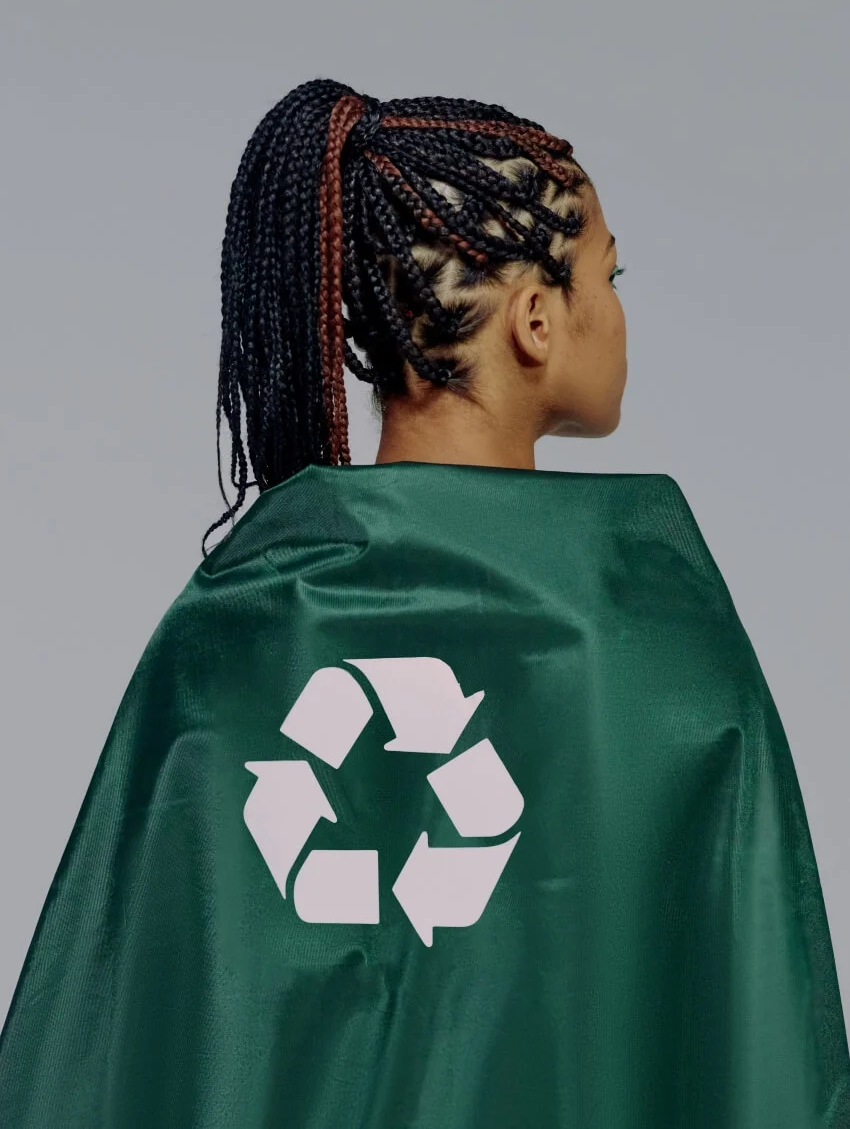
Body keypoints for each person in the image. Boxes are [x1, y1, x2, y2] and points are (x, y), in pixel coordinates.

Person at [1, 78, 848, 1128]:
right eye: (609, 274)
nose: (620, 309)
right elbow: (756, 1047)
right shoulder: (654, 658)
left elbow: (91, 1048)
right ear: (536, 320)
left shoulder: (226, 641)